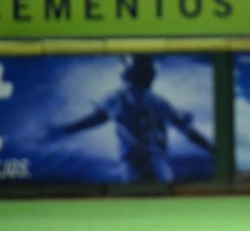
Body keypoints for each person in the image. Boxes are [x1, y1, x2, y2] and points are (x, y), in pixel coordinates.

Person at [46, 54, 215, 183]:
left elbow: (97, 119)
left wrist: (63, 130)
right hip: (160, 164)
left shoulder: (121, 96)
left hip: (136, 163)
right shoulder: (161, 101)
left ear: (130, 73)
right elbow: (189, 132)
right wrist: (212, 148)